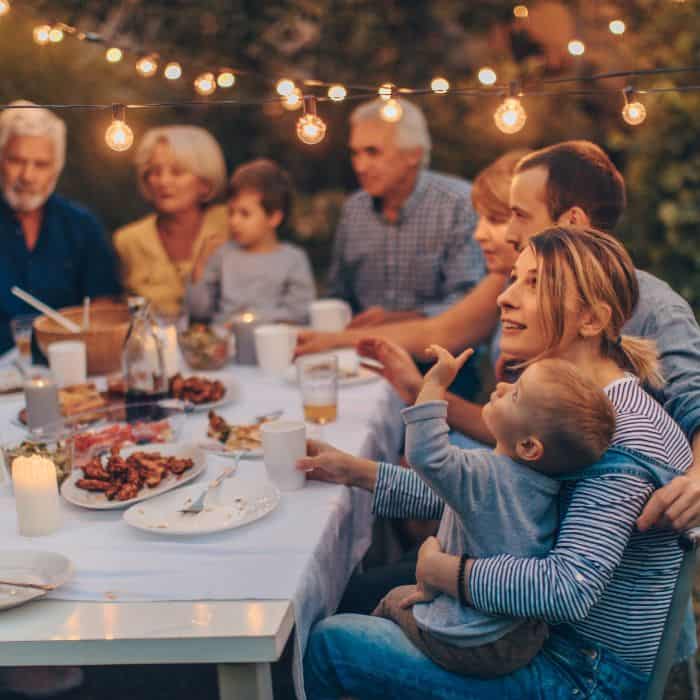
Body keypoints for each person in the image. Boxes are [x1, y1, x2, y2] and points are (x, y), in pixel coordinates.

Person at [302, 227, 693, 699]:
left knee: (331, 646)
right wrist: (356, 472)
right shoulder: (571, 407)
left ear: (591, 319)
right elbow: (491, 492)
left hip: (580, 675)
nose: (505, 297)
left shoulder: (618, 434)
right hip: (532, 637)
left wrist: (445, 572)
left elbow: (568, 588)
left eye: (534, 284)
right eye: (513, 278)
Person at [358, 140, 700, 530]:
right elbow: (512, 481)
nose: (506, 233)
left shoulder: (653, 313)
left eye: (517, 214)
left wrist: (456, 574)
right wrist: (357, 472)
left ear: (572, 221)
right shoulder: (543, 316)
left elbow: (691, 404)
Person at [374, 348, 616, 679]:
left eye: (515, 395)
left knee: (390, 601)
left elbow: (425, 454)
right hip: (518, 638)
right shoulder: (549, 486)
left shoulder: (483, 475)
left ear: (529, 447)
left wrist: (432, 386)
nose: (501, 387)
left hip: (468, 641)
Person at [326, 97, 489, 328]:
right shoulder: (354, 209)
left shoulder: (458, 204)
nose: (360, 166)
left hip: (442, 357)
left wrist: (395, 321)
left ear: (413, 154)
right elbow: (338, 295)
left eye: (373, 152)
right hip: (360, 353)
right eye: (355, 153)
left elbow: (470, 301)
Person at [0, 100, 121, 355]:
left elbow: (104, 305)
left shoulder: (81, 225)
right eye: (16, 160)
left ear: (57, 167)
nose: (27, 176)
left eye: (41, 164)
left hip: (70, 369)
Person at [113, 125, 229, 317]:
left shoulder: (230, 223)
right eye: (155, 172)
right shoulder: (128, 241)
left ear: (205, 182)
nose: (163, 181)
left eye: (177, 172)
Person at [186, 158, 315, 324]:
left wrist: (253, 321)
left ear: (274, 218)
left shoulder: (293, 260)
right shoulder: (223, 255)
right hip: (225, 341)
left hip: (272, 341)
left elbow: (300, 312)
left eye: (244, 214)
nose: (234, 221)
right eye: (231, 213)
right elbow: (199, 310)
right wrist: (200, 265)